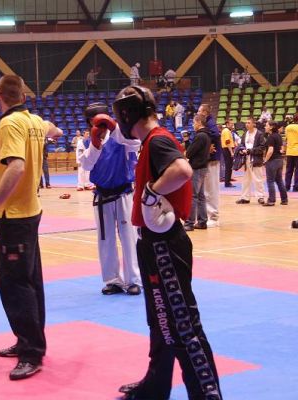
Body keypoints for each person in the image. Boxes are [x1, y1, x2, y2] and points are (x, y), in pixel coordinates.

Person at [113, 85, 222, 400]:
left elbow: (182, 169)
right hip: (154, 244)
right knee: (161, 322)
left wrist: (151, 193)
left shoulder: (158, 139)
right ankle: (156, 386)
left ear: (126, 114)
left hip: (165, 246)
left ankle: (206, 394)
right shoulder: (152, 140)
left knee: (182, 324)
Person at [0, 74, 62, 381]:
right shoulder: (34, 121)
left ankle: (31, 352)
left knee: (15, 284)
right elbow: (55, 129)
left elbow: (17, 166)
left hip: (13, 216)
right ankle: (30, 340)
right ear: (23, 97)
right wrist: (49, 136)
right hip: (30, 211)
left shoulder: (10, 124)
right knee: (30, 280)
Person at [79, 102, 142, 295]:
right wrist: (95, 143)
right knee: (105, 239)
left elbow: (135, 144)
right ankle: (112, 280)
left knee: (129, 237)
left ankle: (134, 280)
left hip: (123, 193)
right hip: (102, 195)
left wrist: (114, 128)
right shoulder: (86, 142)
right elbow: (86, 165)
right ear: (90, 122)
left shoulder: (122, 136)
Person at [184, 114, 212, 231]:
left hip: (196, 168)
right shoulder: (206, 135)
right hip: (203, 167)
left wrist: (187, 145)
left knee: (193, 196)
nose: (193, 125)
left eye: (194, 122)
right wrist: (187, 142)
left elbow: (189, 153)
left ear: (199, 122)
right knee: (200, 196)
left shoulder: (200, 136)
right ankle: (202, 221)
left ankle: (190, 223)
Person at [198, 104, 221, 227]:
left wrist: (207, 143)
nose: (197, 113)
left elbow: (216, 134)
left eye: (199, 111)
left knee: (211, 189)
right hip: (208, 160)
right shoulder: (207, 123)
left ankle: (214, 217)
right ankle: (208, 215)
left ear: (205, 112)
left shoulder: (210, 122)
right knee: (207, 190)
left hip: (212, 160)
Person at [236, 117, 266, 204]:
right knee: (246, 179)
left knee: (258, 179)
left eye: (249, 123)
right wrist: (241, 150)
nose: (247, 124)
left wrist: (250, 151)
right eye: (246, 123)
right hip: (246, 159)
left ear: (254, 124)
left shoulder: (259, 134)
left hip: (256, 159)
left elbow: (262, 147)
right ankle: (245, 197)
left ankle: (260, 197)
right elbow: (242, 144)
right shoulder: (245, 134)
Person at [262, 121, 288, 206]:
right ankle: (284, 199)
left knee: (270, 181)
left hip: (272, 161)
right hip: (280, 160)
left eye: (266, 126)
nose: (265, 127)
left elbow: (270, 150)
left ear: (271, 127)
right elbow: (282, 149)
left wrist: (265, 160)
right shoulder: (278, 136)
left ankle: (271, 200)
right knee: (279, 181)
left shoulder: (271, 137)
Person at [284, 113, 298, 192]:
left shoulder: (287, 127)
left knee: (289, 170)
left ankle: (287, 186)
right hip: (297, 151)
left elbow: (286, 139)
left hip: (289, 151)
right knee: (297, 170)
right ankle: (296, 187)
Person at [221, 119, 236, 188]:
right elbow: (227, 142)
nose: (232, 125)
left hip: (227, 149)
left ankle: (228, 182)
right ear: (227, 124)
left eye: (233, 123)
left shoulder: (227, 131)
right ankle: (227, 183)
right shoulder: (226, 131)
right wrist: (231, 152)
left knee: (229, 166)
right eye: (231, 124)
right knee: (228, 167)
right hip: (227, 149)